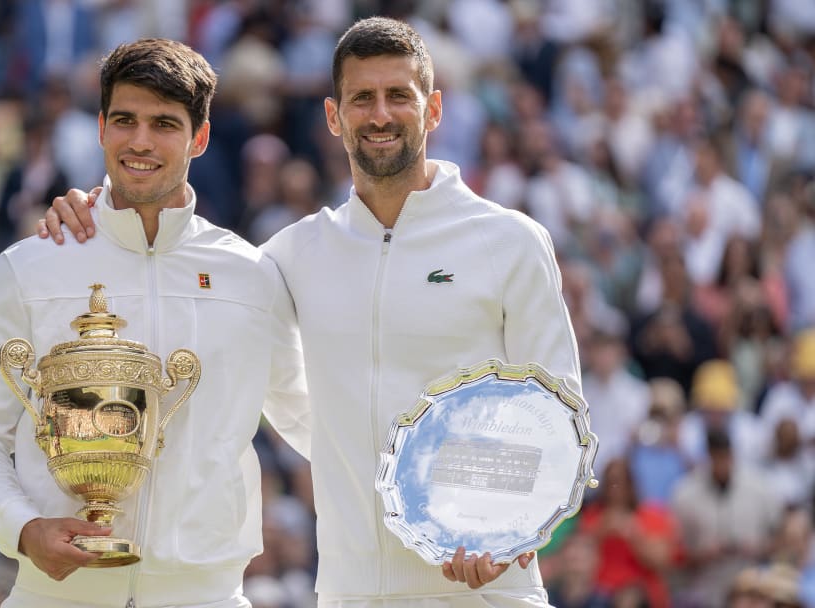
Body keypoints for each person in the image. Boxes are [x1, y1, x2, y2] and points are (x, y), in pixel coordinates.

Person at [41, 17, 581, 606]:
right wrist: (97, 216)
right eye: (362, 98)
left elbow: (560, 412)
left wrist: (511, 530)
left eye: (399, 95)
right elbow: (173, 267)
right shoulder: (291, 253)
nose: (380, 115)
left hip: (487, 588)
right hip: (348, 593)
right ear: (332, 116)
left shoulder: (511, 241)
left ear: (434, 110)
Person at [0, 38, 309, 608]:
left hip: (206, 595)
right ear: (101, 129)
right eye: (125, 120)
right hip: (55, 595)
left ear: (201, 137)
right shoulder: (28, 267)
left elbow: (313, 423)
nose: (140, 142)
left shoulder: (252, 276)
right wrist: (21, 528)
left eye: (164, 123)